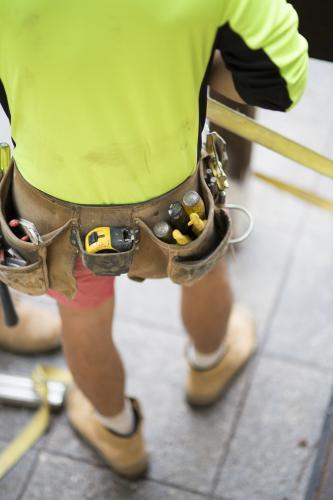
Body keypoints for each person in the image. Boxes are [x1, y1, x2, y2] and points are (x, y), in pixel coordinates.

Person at [0, 0, 308, 479]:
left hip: (51, 207)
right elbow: (282, 81)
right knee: (201, 273)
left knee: (83, 317)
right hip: (174, 193)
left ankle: (118, 433)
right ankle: (210, 364)